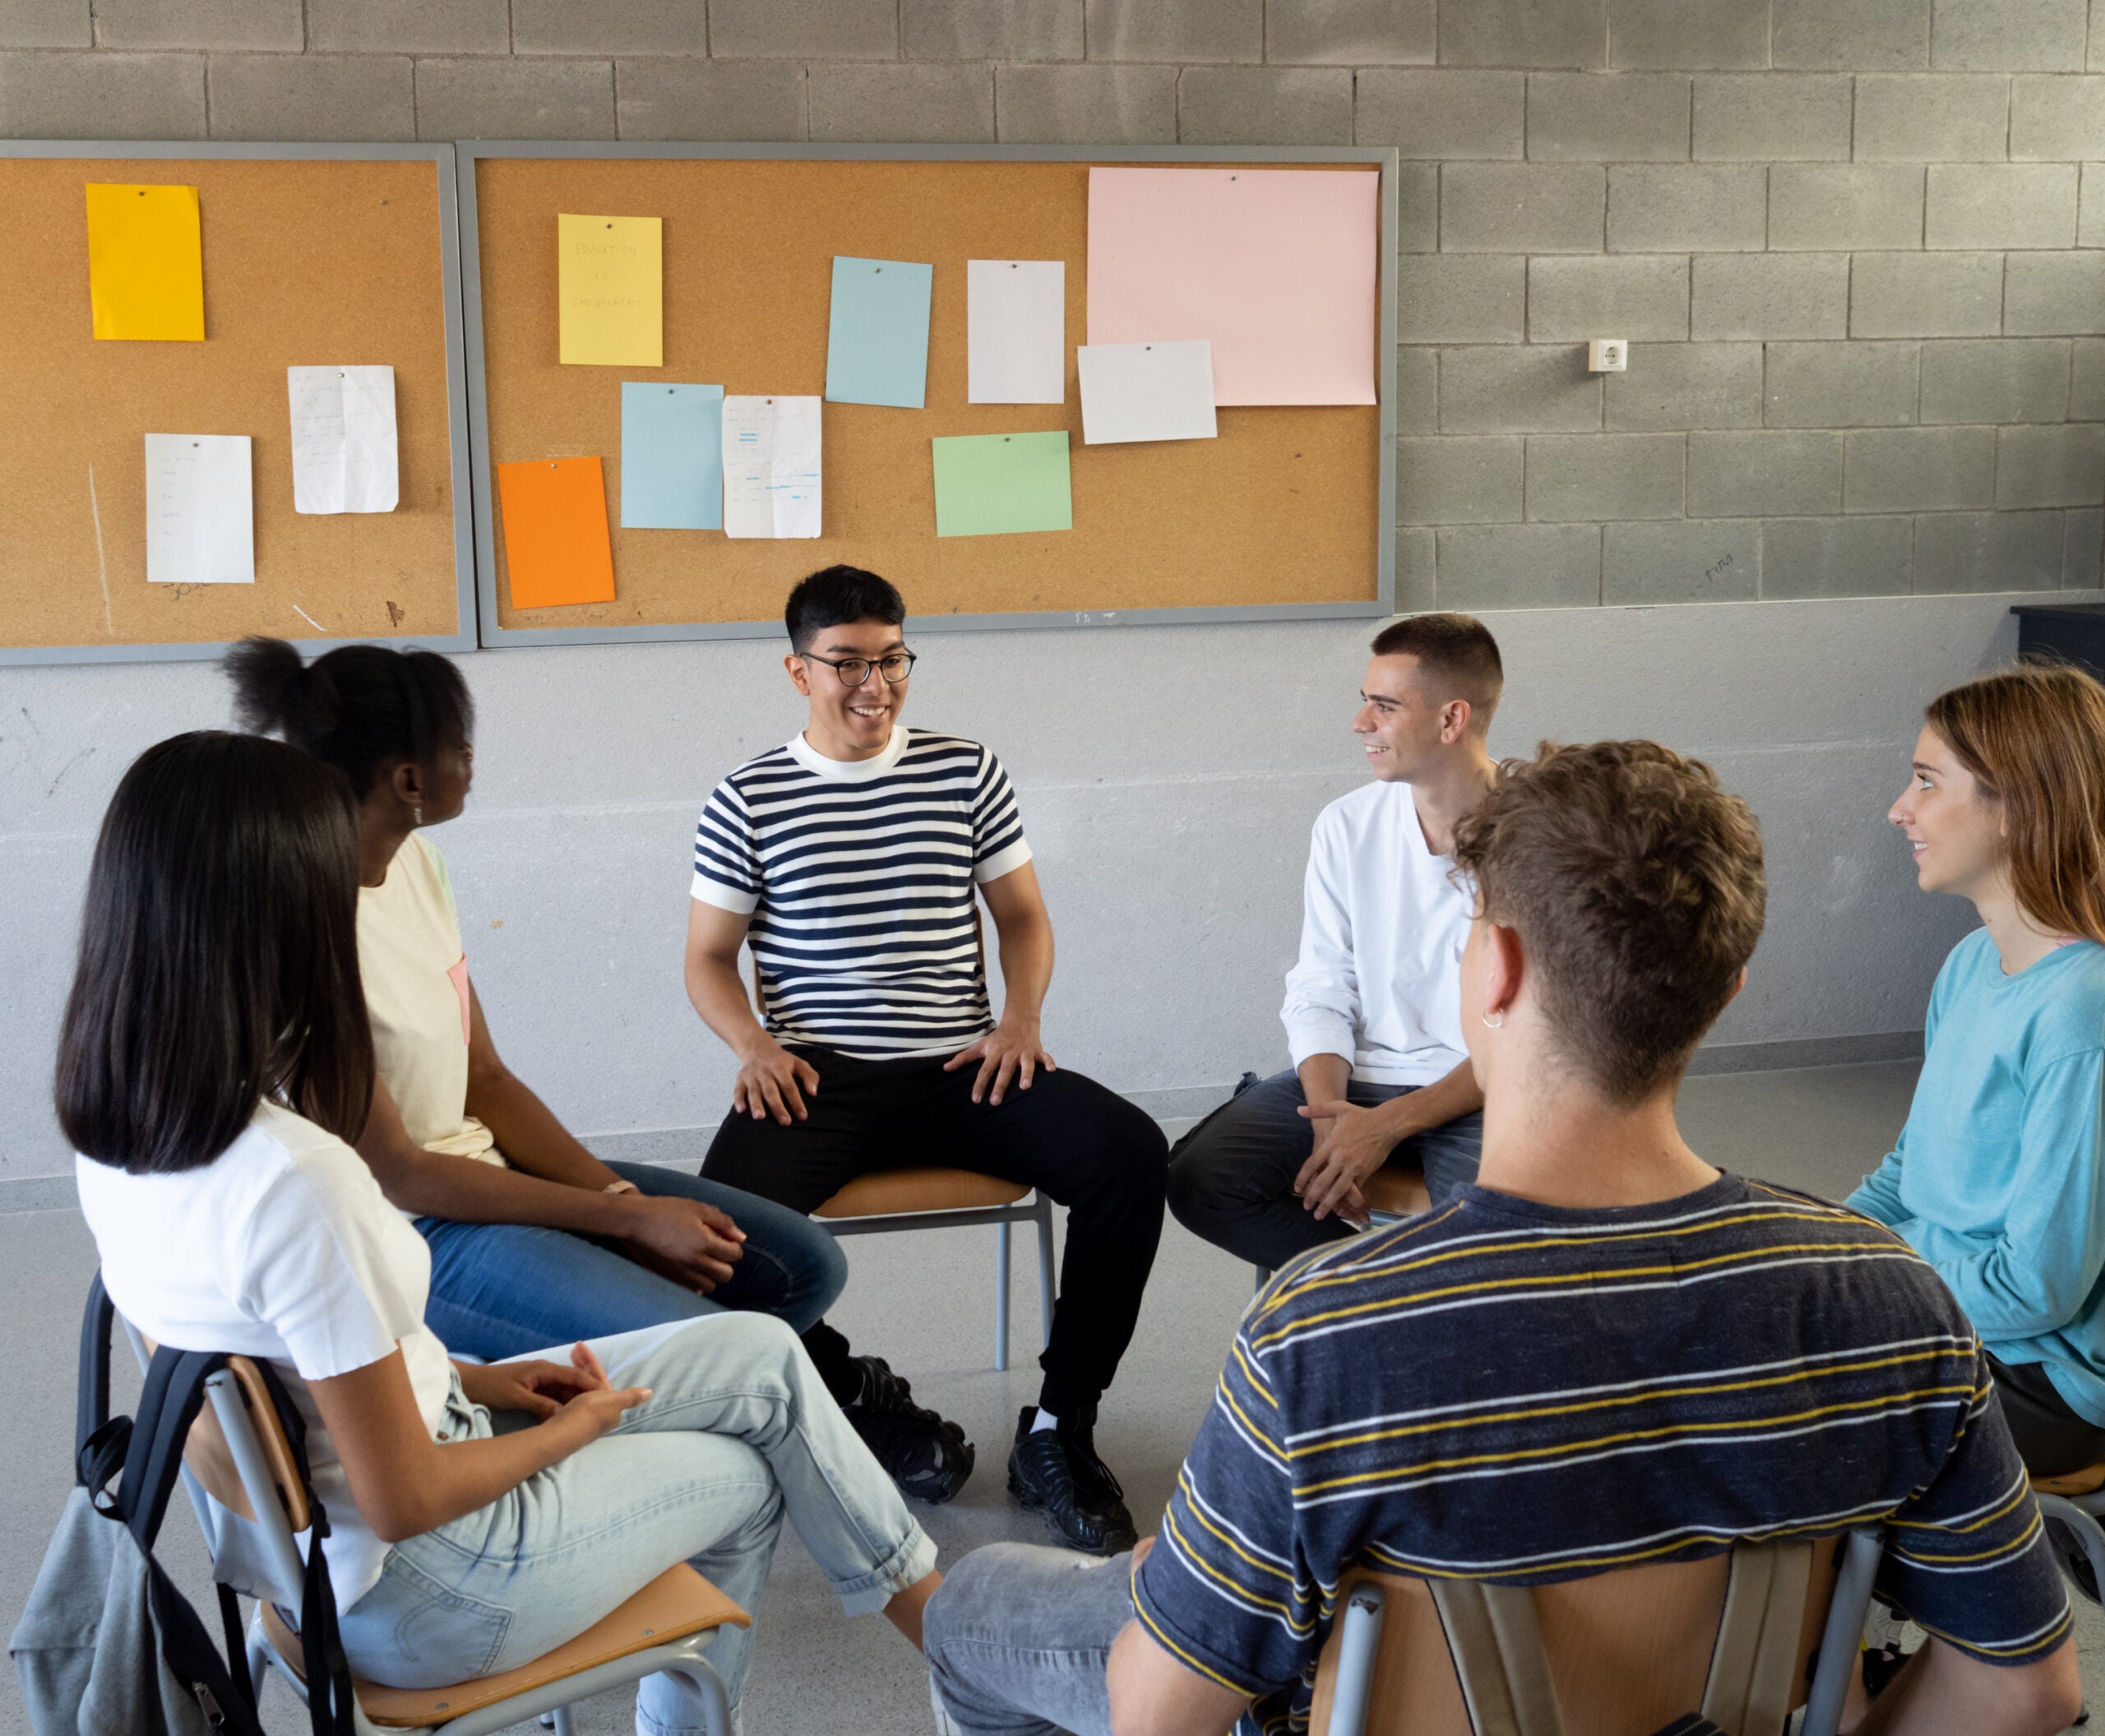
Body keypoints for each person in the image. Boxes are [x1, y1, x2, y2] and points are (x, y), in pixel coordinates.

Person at [923, 738, 2081, 1736]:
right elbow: (2026, 1692)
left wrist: (1186, 1584)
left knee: (977, 1603)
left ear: (1499, 969)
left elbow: (1162, 1706)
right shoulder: (1894, 1300)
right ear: (1726, 991)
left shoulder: (1324, 1330)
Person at [61, 731, 941, 1734]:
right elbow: (407, 1495)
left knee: (765, 1354)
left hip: (322, 1551)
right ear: (278, 922)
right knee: (749, 1470)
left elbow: (294, 1372)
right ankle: (947, 1652)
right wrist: (569, 1431)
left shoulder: (120, 1138)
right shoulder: (300, 1178)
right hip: (429, 1589)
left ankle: (953, 1637)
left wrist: (482, 1380)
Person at [686, 565, 1168, 1554]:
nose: (878, 683)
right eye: (849, 663)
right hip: (820, 1075)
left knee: (1128, 1151)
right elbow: (705, 956)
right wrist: (752, 1043)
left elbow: (1023, 916)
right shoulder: (748, 796)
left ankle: (1057, 1428)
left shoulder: (965, 768)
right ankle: (861, 1394)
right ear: (796, 669)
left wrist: (1021, 1017)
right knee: (709, 1243)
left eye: (894, 657)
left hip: (965, 1065)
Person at [226, 637, 849, 1360]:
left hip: (485, 1174)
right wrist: (626, 1224)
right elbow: (402, 1172)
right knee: (716, 1343)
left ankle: (807, 1398)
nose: (471, 758)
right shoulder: (306, 921)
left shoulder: (416, 864)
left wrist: (624, 1205)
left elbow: (485, 1077)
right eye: (458, 746)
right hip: (408, 1230)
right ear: (407, 779)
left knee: (802, 1265)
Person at [1167, 613, 1498, 1271]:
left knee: (1491, 1237)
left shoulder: (1544, 826)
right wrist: (1328, 1118)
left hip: (1484, 1088)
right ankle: (1372, 1309)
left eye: (1383, 706)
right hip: (1361, 1079)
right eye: (1363, 701)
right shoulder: (1346, 825)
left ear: (1451, 719)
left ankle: (1397, 1316)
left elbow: (1534, 1035)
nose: (1359, 724)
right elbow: (1323, 984)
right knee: (1202, 1180)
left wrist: (1391, 1123)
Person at [1851, 662, 2105, 1478]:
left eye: (1926, 781)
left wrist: (1875, 1278)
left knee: (1752, 1401)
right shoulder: (1969, 963)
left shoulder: (2081, 1011)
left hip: (2043, 1377)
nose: (1900, 807)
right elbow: (1906, 1170)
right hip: (1947, 1309)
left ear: (2015, 804)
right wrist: (1826, 1247)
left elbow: (2037, 1289)